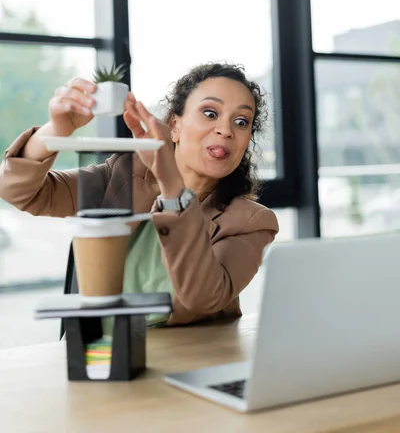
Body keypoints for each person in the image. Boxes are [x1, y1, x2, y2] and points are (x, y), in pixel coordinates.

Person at [0, 62, 279, 326]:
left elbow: (202, 299)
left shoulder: (251, 222)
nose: (225, 130)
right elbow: (21, 192)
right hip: (104, 353)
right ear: (174, 125)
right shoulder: (120, 176)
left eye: (242, 121)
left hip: (192, 359)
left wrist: (172, 185)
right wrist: (57, 130)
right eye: (210, 113)